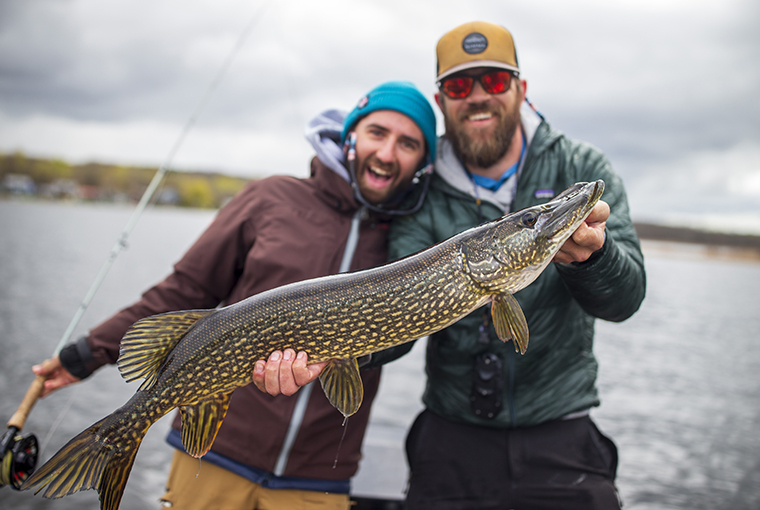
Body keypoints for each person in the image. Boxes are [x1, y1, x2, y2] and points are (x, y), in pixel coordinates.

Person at [258, 21, 647, 510]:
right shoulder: (421, 188)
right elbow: (395, 310)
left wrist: (594, 258)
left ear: (521, 90)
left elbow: (626, 299)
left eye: (495, 81)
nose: (479, 97)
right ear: (442, 102)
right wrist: (332, 348)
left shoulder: (579, 166)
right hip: (450, 434)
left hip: (562, 431)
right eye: (461, 86)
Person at [31, 80, 438, 510]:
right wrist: (86, 354)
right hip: (217, 455)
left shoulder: (414, 239)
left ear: (422, 163)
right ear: (351, 134)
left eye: (408, 143)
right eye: (378, 133)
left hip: (318, 474)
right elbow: (183, 291)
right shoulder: (271, 198)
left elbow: (404, 330)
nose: (388, 153)